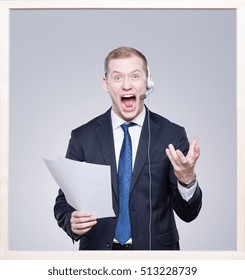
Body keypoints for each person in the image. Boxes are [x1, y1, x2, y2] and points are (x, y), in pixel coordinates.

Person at [54, 46, 202, 250]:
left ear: (148, 81)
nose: (126, 86)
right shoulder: (82, 138)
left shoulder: (172, 134)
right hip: (98, 258)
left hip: (156, 257)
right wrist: (70, 220)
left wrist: (186, 179)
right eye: (117, 77)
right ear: (106, 84)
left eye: (135, 76)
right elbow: (64, 201)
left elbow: (188, 213)